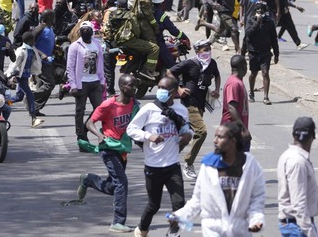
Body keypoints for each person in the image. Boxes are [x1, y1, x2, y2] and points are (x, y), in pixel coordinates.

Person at [170, 121, 266, 236]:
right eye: (215, 136)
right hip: (213, 230)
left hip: (240, 230)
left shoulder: (250, 165)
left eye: (220, 137)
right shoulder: (208, 165)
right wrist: (180, 216)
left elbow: (257, 197)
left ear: (232, 141)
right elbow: (198, 200)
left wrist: (256, 219)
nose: (215, 141)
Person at [126, 76, 193, 237]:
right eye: (159, 88)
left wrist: (187, 136)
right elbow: (131, 129)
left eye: (164, 89)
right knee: (153, 205)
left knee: (179, 204)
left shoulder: (181, 110)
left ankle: (173, 234)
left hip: (172, 165)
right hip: (153, 166)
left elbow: (187, 130)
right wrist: (149, 136)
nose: (161, 92)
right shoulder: (149, 109)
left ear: (173, 93)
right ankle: (142, 229)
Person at [79, 74, 140, 233]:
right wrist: (99, 136)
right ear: (122, 87)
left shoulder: (135, 105)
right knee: (122, 183)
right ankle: (118, 222)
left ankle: (89, 180)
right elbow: (89, 122)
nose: (134, 88)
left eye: (135, 85)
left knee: (114, 187)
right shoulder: (108, 104)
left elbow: (138, 127)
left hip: (123, 149)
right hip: (108, 147)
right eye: (130, 85)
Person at [168, 38, 221, 180]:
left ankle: (169, 158)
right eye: (204, 49)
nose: (207, 52)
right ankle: (188, 163)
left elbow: (217, 75)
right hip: (189, 103)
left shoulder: (211, 63)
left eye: (209, 49)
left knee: (189, 134)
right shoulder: (190, 63)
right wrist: (178, 88)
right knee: (201, 132)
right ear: (197, 51)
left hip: (201, 103)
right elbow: (169, 73)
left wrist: (216, 89)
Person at [276, 117, 318, 237]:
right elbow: (298, 203)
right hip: (299, 227)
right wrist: (310, 232)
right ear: (313, 136)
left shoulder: (287, 155)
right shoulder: (298, 162)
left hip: (293, 225)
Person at [68, 21, 106, 145]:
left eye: (87, 30)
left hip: (95, 81)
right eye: (83, 30)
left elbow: (100, 63)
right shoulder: (75, 46)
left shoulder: (97, 44)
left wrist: (102, 80)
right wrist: (73, 85)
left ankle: (85, 128)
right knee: (80, 110)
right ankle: (81, 138)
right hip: (81, 83)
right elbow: (70, 66)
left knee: (99, 109)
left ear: (92, 32)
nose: (85, 32)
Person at [5, 31, 45, 127]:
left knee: (19, 97)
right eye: (33, 40)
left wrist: (34, 76)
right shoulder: (21, 51)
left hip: (26, 76)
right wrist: (10, 76)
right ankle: (33, 118)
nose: (34, 42)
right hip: (20, 76)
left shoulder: (31, 50)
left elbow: (33, 65)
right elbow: (15, 63)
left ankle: (5, 102)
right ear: (29, 40)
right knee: (30, 95)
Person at [242, 1, 279, 105]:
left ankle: (266, 97)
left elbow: (274, 39)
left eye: (262, 11)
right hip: (253, 52)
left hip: (265, 52)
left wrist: (276, 54)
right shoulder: (250, 21)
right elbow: (248, 35)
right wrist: (257, 22)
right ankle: (251, 93)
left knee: (265, 73)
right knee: (253, 73)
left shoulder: (270, 23)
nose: (260, 13)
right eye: (258, 11)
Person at [222, 55, 251, 148]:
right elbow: (232, 108)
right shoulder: (234, 83)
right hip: (232, 131)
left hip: (237, 130)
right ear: (244, 67)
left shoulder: (238, 82)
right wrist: (243, 129)